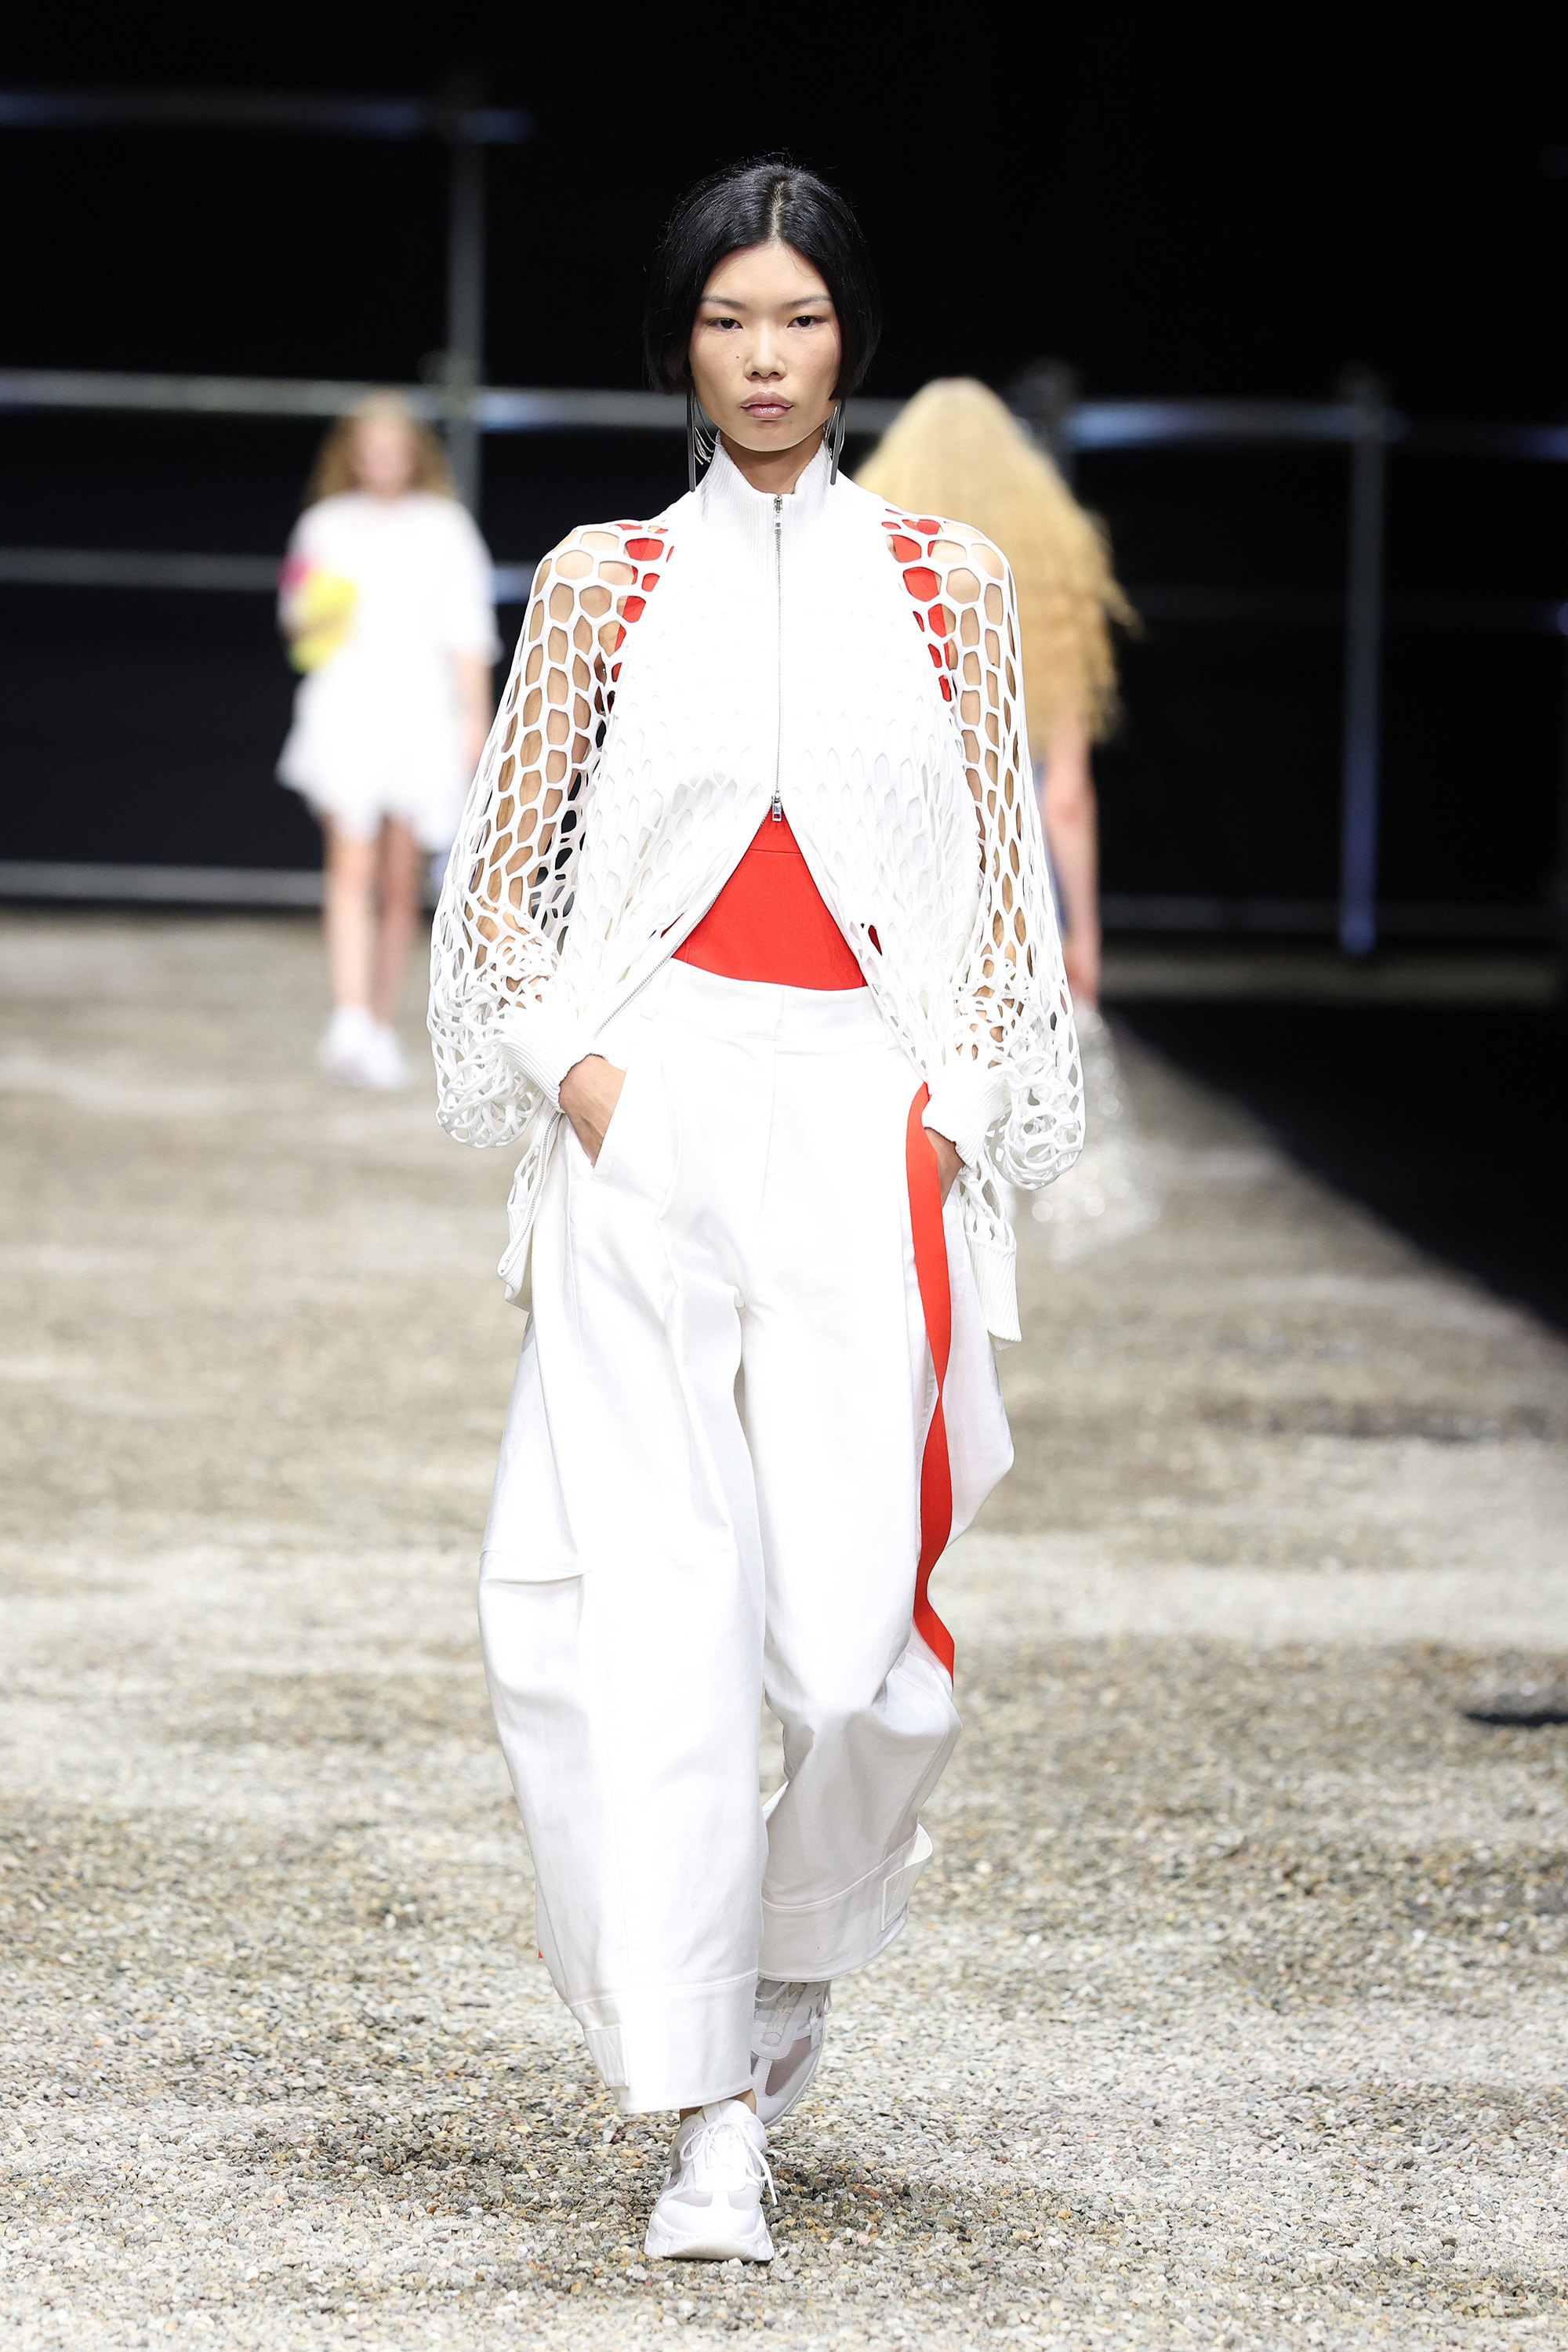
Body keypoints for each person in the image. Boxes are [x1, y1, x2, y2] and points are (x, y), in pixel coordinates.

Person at [427, 162, 1083, 2264]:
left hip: (870, 1120)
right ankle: (707, 2107)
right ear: (681, 345)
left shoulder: (946, 585)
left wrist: (946, 1113)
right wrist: (593, 1087)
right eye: (728, 321)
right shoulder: (605, 581)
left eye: (798, 317)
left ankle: (787, 1952)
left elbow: (1002, 897)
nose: (767, 357)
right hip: (655, 1099)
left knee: (872, 1660)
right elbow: (498, 892)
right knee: (633, 1622)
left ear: (848, 335)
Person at [856, 377, 1134, 1008]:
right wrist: (1084, 933)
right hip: (1014, 889)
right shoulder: (1050, 577)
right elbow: (1064, 797)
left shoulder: (870, 556)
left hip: (894, 878)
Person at [278, 390, 499, 1088]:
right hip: (347, 706)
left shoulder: (445, 527)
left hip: (422, 714)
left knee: (401, 880)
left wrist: (475, 720)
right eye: (369, 451)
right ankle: (349, 1015)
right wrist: (315, 610)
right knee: (350, 864)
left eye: (392, 451)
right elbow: (298, 623)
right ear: (350, 455)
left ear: (413, 455)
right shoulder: (324, 525)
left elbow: (468, 631)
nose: (381, 463)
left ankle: (375, 1023)